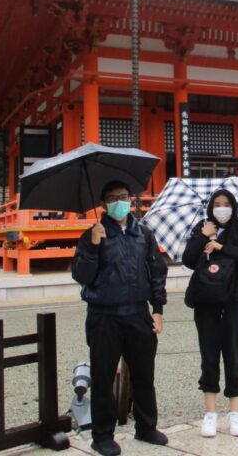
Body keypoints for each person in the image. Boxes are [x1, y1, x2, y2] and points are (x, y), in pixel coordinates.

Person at [71, 180, 169, 456]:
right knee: (103, 378)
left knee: (143, 374)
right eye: (112, 198)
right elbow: (81, 276)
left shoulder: (144, 234)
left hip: (138, 313)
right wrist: (92, 246)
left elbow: (156, 271)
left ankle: (146, 426)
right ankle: (102, 435)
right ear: (103, 204)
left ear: (131, 199)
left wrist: (158, 309)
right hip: (104, 315)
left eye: (123, 196)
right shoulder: (93, 234)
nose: (119, 202)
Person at [181, 189, 238, 438]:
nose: (222, 208)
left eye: (227, 204)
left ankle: (235, 412)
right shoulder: (202, 227)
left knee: (233, 355)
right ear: (210, 207)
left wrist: (221, 246)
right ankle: (210, 413)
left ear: (234, 206)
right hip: (206, 301)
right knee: (209, 355)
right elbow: (187, 260)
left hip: (234, 300)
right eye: (217, 204)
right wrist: (201, 238)